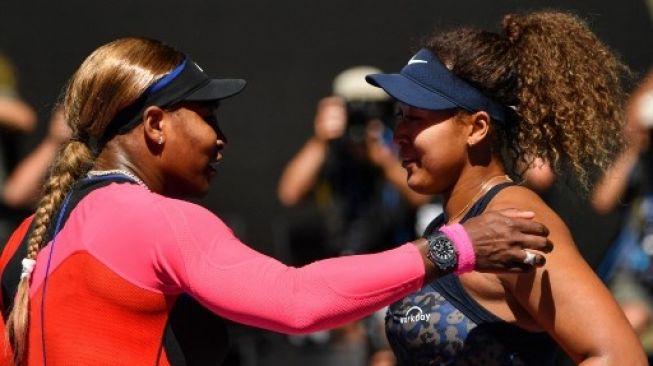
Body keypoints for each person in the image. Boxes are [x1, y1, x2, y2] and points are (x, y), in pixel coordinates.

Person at [0, 37, 552, 365]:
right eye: (208, 116)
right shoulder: (154, 219)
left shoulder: (26, 239)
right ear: (155, 125)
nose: (220, 138)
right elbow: (294, 300)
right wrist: (452, 247)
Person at [365, 10, 646, 365]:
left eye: (417, 118)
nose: (401, 134)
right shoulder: (451, 226)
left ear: (477, 127)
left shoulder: (515, 221)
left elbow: (620, 357)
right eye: (400, 116)